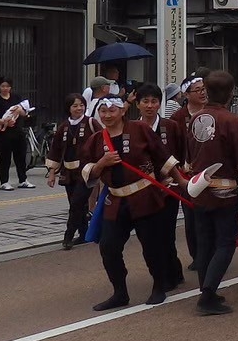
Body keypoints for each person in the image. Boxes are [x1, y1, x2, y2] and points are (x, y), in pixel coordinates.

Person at [79, 95, 179, 310]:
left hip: (144, 196)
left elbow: (162, 157)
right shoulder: (96, 139)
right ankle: (120, 293)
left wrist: (182, 182)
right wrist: (102, 163)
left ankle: (159, 286)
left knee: (152, 246)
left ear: (122, 111)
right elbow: (87, 170)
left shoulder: (140, 129)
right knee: (108, 247)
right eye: (103, 111)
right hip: (115, 200)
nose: (107, 115)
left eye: (112, 111)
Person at [181, 69, 238, 316]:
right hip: (224, 191)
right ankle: (207, 296)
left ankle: (207, 291)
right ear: (231, 93)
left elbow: (189, 157)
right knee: (225, 242)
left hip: (199, 190)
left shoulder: (196, 118)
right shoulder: (231, 121)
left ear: (207, 91)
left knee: (205, 243)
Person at [135, 83, 186, 290]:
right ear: (137, 104)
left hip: (169, 188)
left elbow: (180, 153)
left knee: (166, 233)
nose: (149, 106)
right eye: (145, 101)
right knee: (150, 235)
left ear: (160, 104)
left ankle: (171, 275)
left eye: (154, 101)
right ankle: (166, 272)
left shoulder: (171, 127)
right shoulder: (132, 129)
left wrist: (174, 177)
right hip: (143, 190)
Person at [167, 71, 210, 270]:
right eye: (197, 90)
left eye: (204, 89)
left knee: (211, 215)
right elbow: (172, 147)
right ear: (186, 94)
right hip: (188, 175)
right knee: (191, 216)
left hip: (212, 172)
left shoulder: (213, 112)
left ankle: (214, 252)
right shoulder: (177, 118)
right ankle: (197, 255)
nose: (202, 93)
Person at [46, 93, 96, 249]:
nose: (79, 108)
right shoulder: (64, 127)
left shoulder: (91, 123)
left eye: (81, 105)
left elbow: (102, 142)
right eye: (75, 106)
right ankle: (84, 234)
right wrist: (52, 173)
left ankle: (68, 236)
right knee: (78, 205)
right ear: (69, 108)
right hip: (68, 171)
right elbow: (55, 150)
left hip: (86, 171)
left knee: (76, 204)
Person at [0, 77, 33, 190]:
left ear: (11, 87)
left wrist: (20, 111)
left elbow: (24, 113)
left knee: (21, 156)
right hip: (3, 132)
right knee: (5, 157)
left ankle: (23, 180)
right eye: (3, 86)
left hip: (18, 130)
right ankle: (4, 181)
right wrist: (2, 122)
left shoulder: (16, 98)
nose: (5, 88)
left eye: (7, 86)